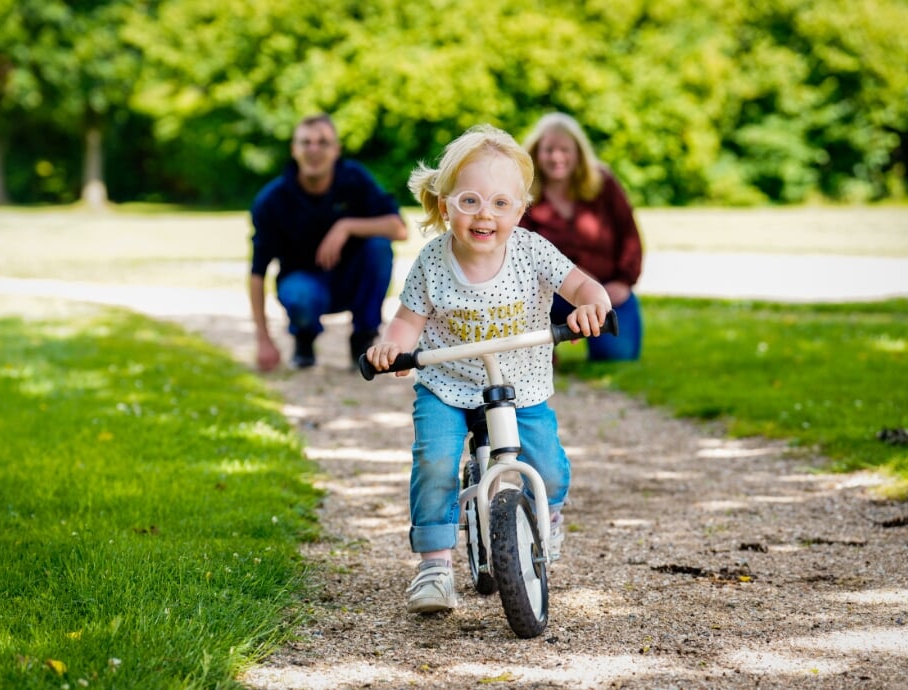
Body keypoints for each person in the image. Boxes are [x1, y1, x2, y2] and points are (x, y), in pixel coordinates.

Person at [364, 124, 612, 614]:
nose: (485, 215)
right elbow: (407, 321)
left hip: (521, 384)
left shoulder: (532, 250)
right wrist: (391, 349)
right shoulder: (433, 262)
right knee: (434, 460)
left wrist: (590, 307)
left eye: (501, 203)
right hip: (448, 385)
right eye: (470, 200)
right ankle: (434, 567)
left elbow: (586, 287)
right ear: (444, 205)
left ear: (520, 210)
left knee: (548, 465)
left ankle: (548, 515)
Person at [249, 113, 408, 371]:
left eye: (323, 142)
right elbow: (257, 273)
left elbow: (399, 229)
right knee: (300, 294)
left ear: (336, 150)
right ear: (294, 149)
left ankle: (363, 339)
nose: (314, 149)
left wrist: (347, 226)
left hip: (351, 282)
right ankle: (304, 338)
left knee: (379, 246)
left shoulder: (355, 179)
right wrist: (263, 340)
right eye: (305, 142)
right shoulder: (272, 200)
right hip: (305, 286)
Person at [521, 112, 644, 361]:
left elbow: (630, 237)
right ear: (536, 152)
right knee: (527, 362)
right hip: (548, 296)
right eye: (549, 150)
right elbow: (518, 249)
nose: (557, 157)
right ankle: (544, 347)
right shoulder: (524, 192)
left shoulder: (603, 183)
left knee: (616, 355)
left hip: (609, 292)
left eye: (565, 149)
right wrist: (573, 274)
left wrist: (623, 282)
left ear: (578, 152)